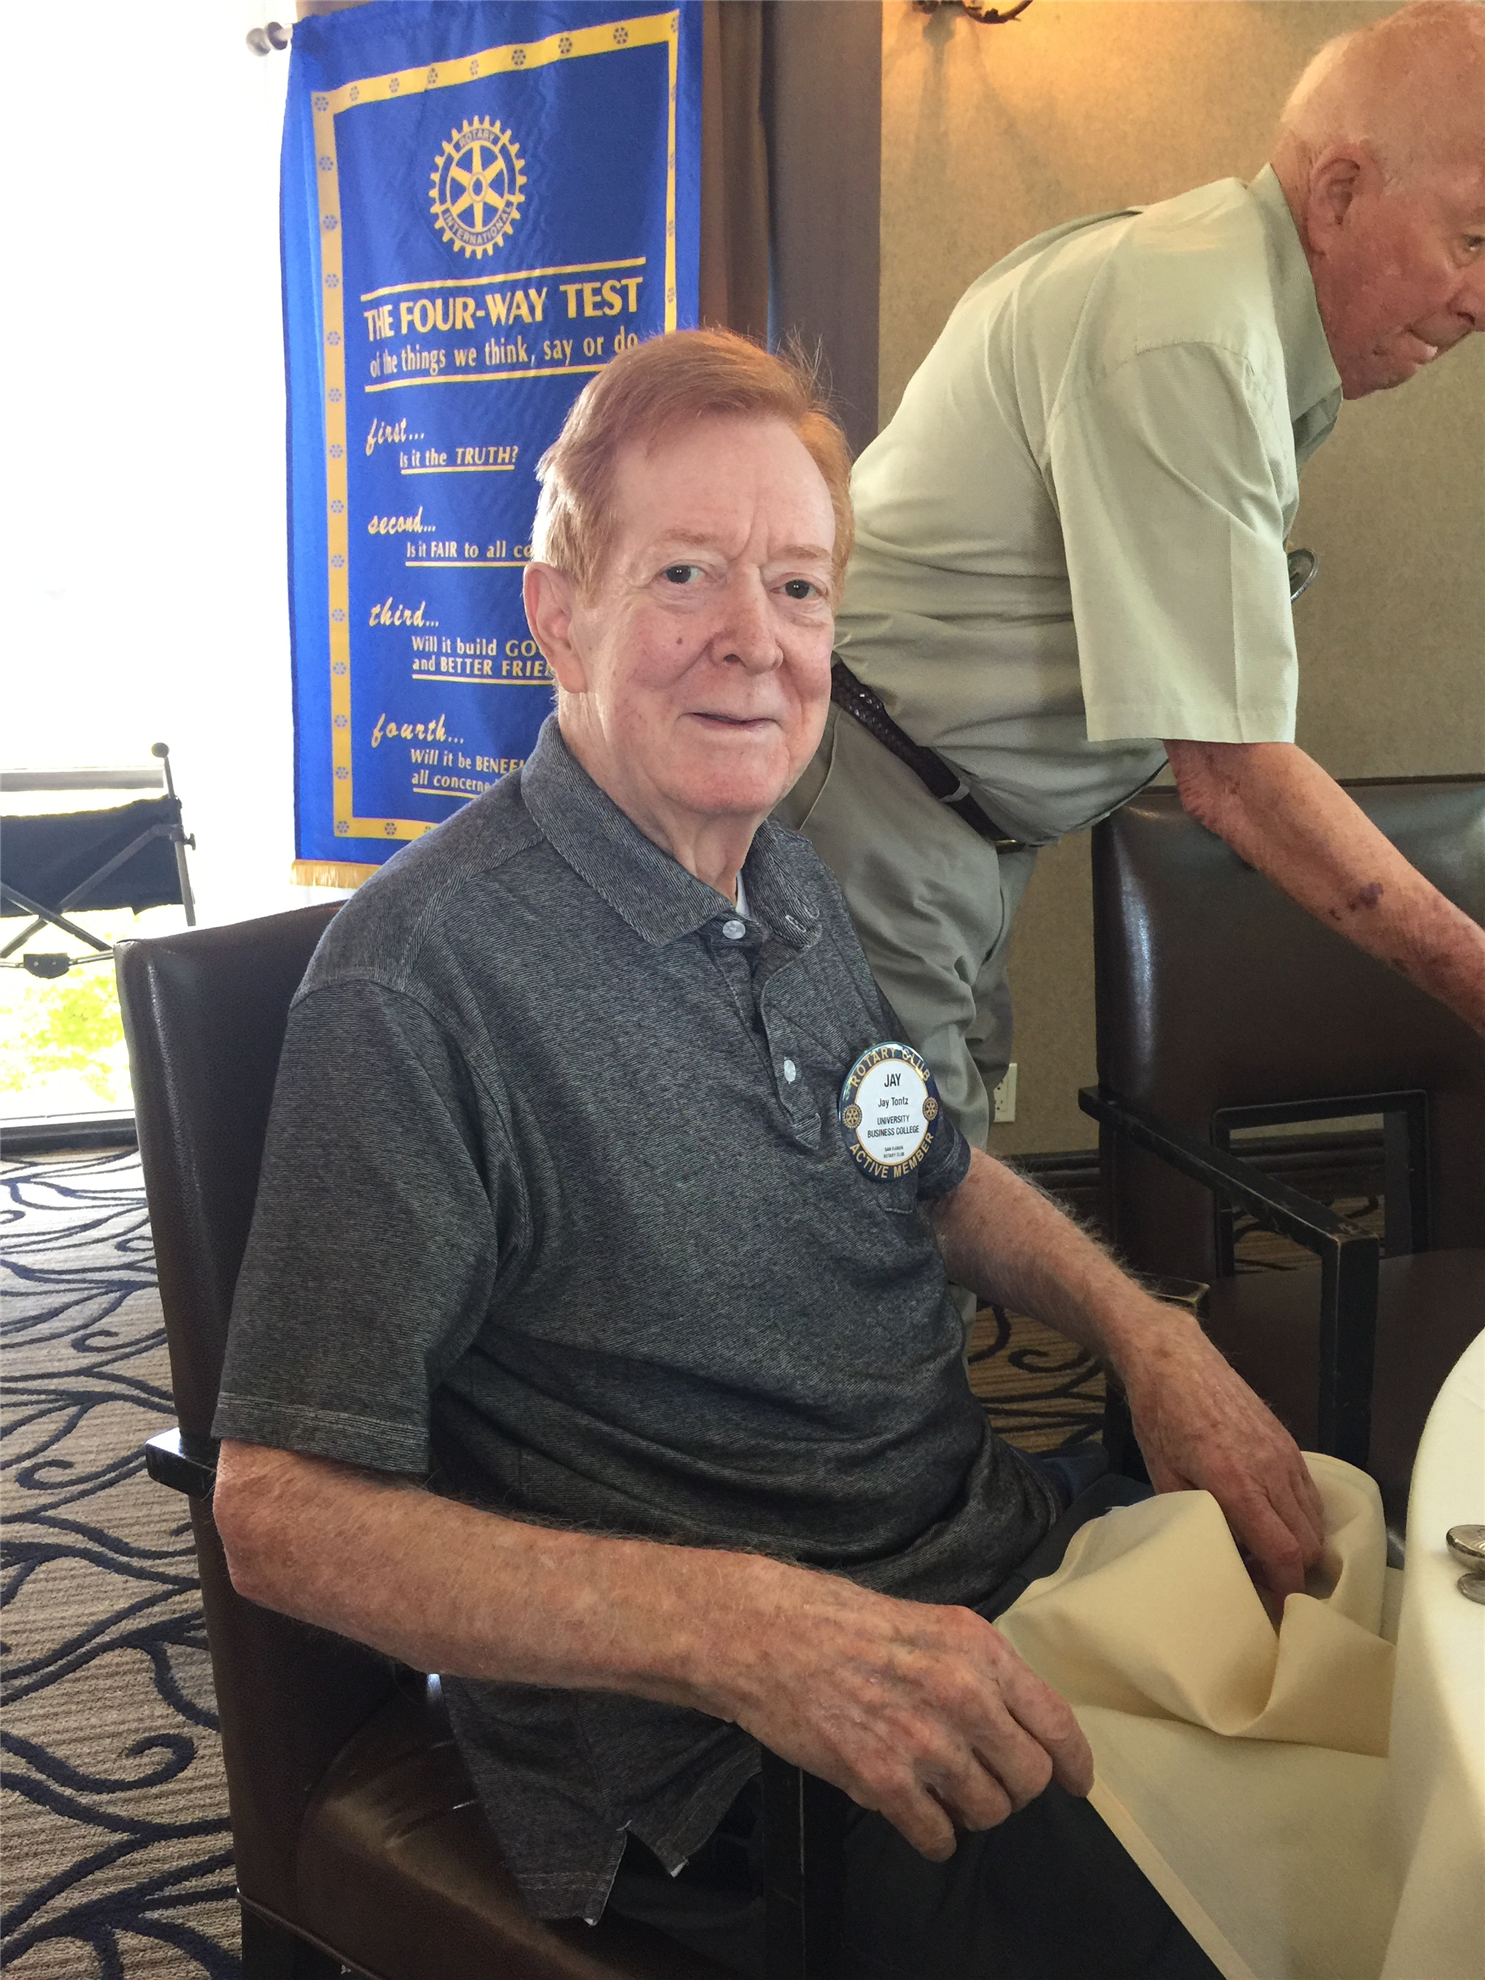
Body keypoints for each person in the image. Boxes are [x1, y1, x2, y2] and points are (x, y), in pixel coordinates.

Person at [211, 331, 1324, 1979]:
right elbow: (280, 1514)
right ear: (556, 613)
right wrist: (743, 1628)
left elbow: (919, 1157)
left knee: (1379, 1674)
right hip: (748, 1759)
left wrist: (1145, 1334)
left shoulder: (783, 876)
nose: (755, 639)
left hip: (985, 1557)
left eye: (797, 587)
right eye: (685, 573)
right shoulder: (419, 985)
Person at [779, 0, 1485, 1147]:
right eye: (1474, 240)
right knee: (898, 1202)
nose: (1482, 302)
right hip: (877, 806)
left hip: (942, 815)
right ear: (1341, 191)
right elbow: (1232, 775)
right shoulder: (1195, 331)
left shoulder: (1209, 284)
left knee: (936, 1172)